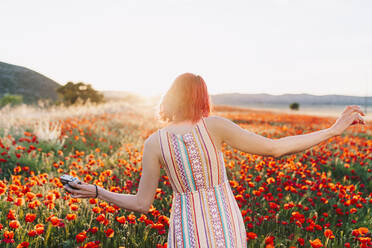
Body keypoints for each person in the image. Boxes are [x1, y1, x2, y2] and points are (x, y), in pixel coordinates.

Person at [64, 72, 366, 247]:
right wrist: (332, 131)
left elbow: (142, 205)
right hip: (225, 226)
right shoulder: (214, 126)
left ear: (170, 97)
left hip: (185, 233)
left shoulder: (154, 143)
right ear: (201, 98)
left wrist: (96, 191)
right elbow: (276, 148)